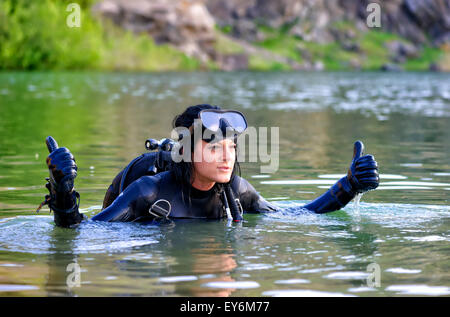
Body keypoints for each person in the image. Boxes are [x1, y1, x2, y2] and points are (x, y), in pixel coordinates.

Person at [39, 104, 379, 228]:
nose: (227, 155)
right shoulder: (148, 192)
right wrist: (63, 189)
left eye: (231, 145)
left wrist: (347, 185)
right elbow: (79, 233)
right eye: (214, 146)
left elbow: (299, 216)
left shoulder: (235, 191)